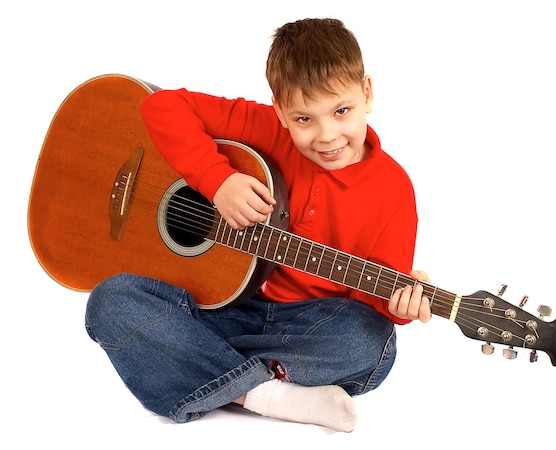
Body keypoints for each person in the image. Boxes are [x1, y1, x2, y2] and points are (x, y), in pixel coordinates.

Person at [85, 18, 431, 433]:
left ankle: (203, 368)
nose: (327, 135)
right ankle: (270, 396)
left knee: (371, 342)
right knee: (112, 301)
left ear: (367, 93)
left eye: (342, 111)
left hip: (307, 325)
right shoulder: (265, 127)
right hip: (222, 307)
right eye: (304, 119)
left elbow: (368, 297)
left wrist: (401, 303)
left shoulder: (393, 190)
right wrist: (216, 180)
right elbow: (162, 106)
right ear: (280, 110)